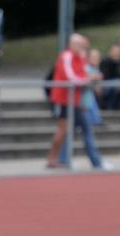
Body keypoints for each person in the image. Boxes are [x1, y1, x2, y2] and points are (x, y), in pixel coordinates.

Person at [46, 33, 103, 169]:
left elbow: (82, 73)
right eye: (79, 45)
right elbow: (70, 76)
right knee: (63, 129)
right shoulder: (67, 56)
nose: (82, 47)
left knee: (66, 130)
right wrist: (88, 79)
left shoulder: (79, 57)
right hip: (63, 98)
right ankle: (54, 159)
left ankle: (59, 159)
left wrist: (88, 77)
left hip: (74, 100)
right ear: (72, 44)